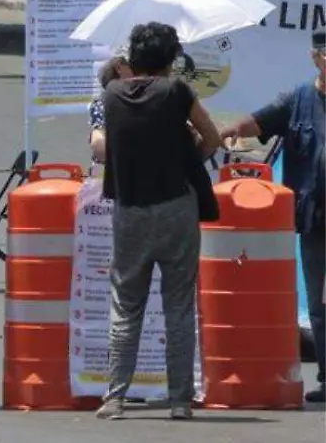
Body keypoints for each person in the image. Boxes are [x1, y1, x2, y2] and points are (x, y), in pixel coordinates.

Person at [95, 22, 221, 421]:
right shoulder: (177, 92)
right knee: (178, 305)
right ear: (172, 58)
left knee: (126, 303)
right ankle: (181, 400)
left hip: (130, 209)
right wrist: (187, 161)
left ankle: (114, 398)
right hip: (176, 208)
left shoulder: (111, 94)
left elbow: (107, 138)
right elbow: (212, 137)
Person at [218, 29, 326, 405]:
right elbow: (255, 123)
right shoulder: (297, 100)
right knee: (319, 304)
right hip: (316, 222)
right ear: (316, 58)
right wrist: (226, 132)